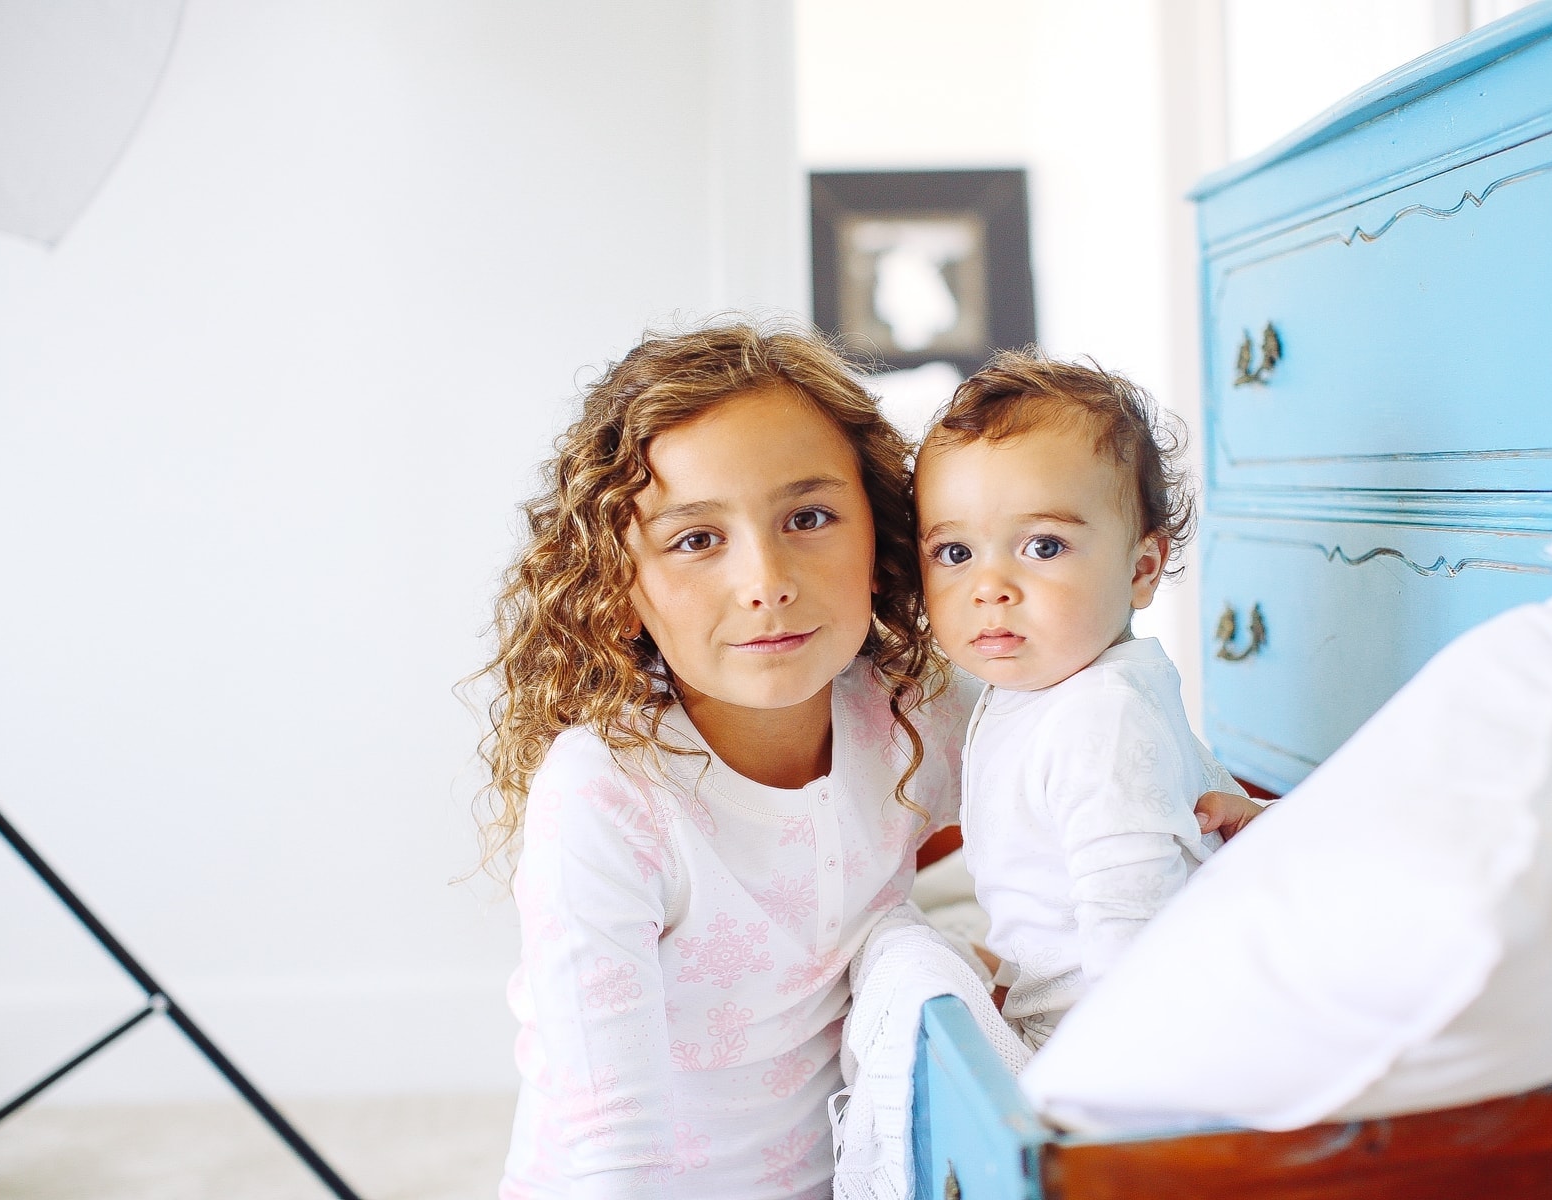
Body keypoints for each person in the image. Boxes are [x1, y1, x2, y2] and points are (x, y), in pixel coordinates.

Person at [476, 322, 1261, 1198]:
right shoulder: (605, 795)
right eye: (697, 539)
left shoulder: (904, 709)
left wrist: (1235, 809)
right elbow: (610, 1144)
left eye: (807, 518)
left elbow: (1106, 753)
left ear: (883, 538)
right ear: (621, 586)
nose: (765, 579)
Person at [913, 350, 1257, 1050]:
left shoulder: (1099, 715)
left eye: (1043, 546)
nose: (990, 586)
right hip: (1059, 990)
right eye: (954, 553)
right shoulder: (1050, 687)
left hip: (1101, 1032)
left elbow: (1133, 932)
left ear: (1141, 570)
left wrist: (1108, 1071)